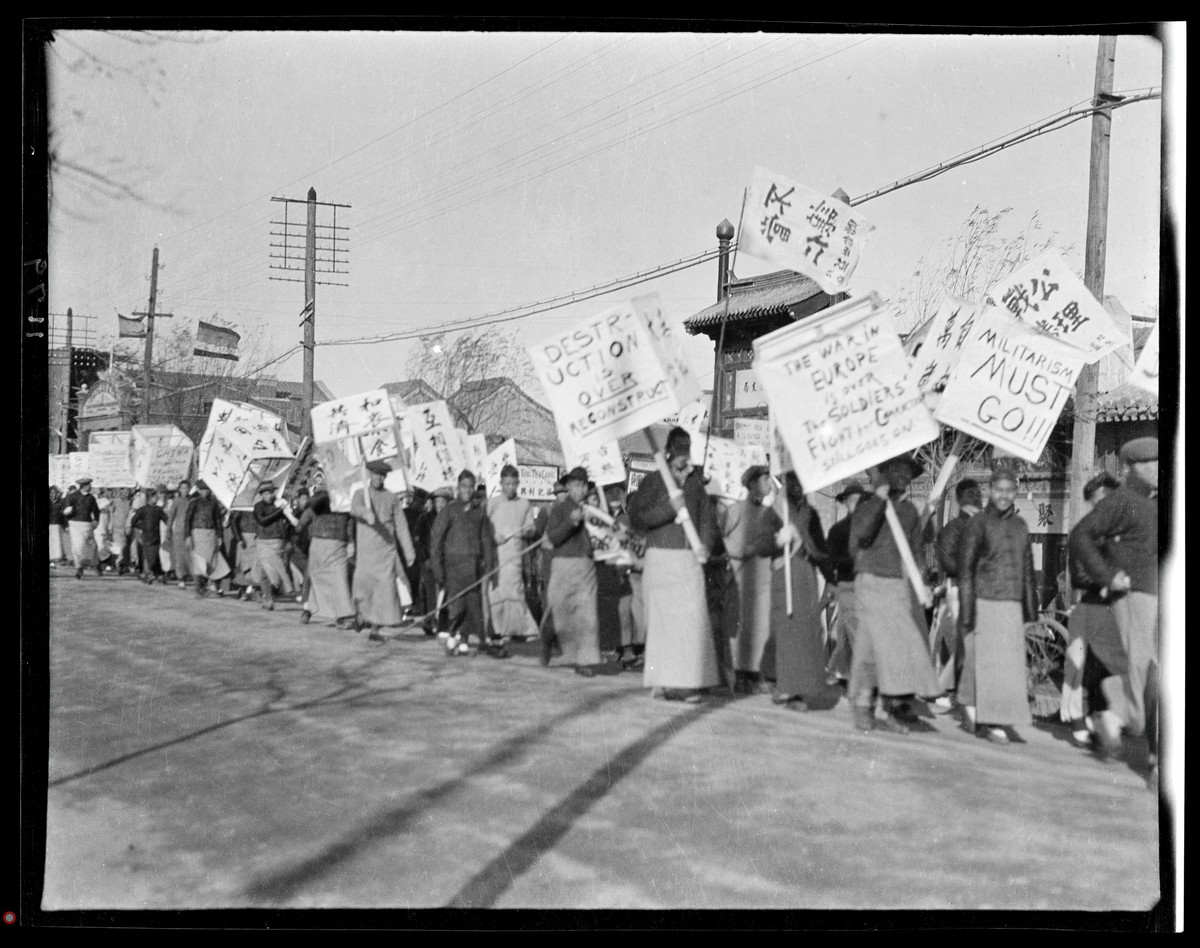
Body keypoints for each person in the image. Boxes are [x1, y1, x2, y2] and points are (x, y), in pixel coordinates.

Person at [1069, 437, 1160, 784]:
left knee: (1153, 674)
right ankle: (1123, 717)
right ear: (1132, 467)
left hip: (1160, 595)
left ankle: (1117, 706)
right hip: (1136, 597)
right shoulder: (1122, 500)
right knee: (1150, 672)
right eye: (1151, 463)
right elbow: (1080, 536)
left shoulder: (1155, 501)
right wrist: (1108, 576)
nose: (1158, 469)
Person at [627, 427, 723, 703]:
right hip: (661, 560)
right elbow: (637, 519)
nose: (683, 458)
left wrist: (705, 543)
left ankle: (690, 682)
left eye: (687, 451)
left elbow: (707, 519)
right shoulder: (653, 481)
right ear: (668, 451)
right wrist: (668, 510)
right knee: (664, 625)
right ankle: (664, 682)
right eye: (679, 451)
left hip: (689, 560)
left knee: (691, 622)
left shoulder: (695, 484)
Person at [848, 454, 941, 734]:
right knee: (870, 644)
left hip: (899, 584)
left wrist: (922, 583)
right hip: (872, 580)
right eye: (896, 471)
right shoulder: (867, 504)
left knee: (900, 646)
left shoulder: (911, 511)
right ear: (885, 473)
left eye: (907, 473)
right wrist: (879, 499)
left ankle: (888, 707)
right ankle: (863, 705)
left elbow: (915, 553)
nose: (902, 477)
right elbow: (862, 535)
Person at [956, 469, 1039, 744]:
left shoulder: (1020, 526)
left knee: (1006, 665)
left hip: (1012, 602)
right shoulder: (977, 524)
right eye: (999, 490)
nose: (1004, 496)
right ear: (990, 489)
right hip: (986, 600)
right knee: (992, 664)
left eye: (1009, 490)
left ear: (1015, 492)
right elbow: (965, 571)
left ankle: (974, 706)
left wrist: (1031, 610)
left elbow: (1028, 569)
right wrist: (968, 613)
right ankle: (990, 722)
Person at [756, 471, 836, 710]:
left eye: (802, 484)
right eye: (794, 484)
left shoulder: (810, 515)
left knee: (807, 634)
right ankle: (786, 687)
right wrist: (778, 541)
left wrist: (831, 579)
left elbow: (820, 547)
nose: (799, 489)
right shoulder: (773, 513)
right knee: (787, 633)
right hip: (784, 577)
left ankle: (801, 689)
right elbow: (760, 545)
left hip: (806, 577)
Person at [1063, 473, 1124, 749]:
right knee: (1080, 667)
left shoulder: (1125, 530)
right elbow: (1081, 573)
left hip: (1120, 608)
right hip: (1090, 605)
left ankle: (1100, 718)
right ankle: (1078, 720)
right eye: (1098, 502)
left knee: (1110, 668)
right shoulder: (1084, 532)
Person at [543, 466, 606, 675]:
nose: (580, 489)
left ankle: (585, 661)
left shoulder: (592, 509)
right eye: (576, 485)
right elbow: (553, 537)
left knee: (587, 614)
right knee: (561, 612)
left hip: (586, 566)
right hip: (563, 565)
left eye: (583, 485)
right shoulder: (560, 509)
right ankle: (549, 636)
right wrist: (571, 521)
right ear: (568, 487)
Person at [430, 469, 500, 657]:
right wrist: (437, 568)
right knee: (457, 606)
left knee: (472, 607)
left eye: (470, 487)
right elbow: (437, 538)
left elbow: (486, 540)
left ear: (474, 488)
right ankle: (452, 637)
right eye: (463, 487)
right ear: (457, 487)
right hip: (453, 566)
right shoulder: (449, 510)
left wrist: (489, 565)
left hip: (473, 566)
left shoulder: (479, 513)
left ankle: (463, 641)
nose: (467, 490)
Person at [722, 465, 776, 696]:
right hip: (740, 580)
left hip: (764, 581)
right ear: (752, 483)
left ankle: (755, 675)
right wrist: (740, 549)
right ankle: (740, 675)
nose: (769, 484)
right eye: (765, 479)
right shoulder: (735, 510)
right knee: (741, 626)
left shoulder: (771, 514)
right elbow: (720, 539)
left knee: (761, 628)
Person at [930, 479, 983, 704]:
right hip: (959, 589)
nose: (976, 498)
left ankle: (946, 688)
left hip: (976, 589)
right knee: (966, 641)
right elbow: (947, 561)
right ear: (961, 499)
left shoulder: (983, 526)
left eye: (977, 493)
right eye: (971, 494)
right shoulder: (952, 529)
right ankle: (945, 689)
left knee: (967, 642)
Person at [351, 460, 417, 640]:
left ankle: (374, 628)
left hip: (386, 550)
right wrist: (366, 513)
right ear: (370, 475)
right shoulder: (360, 494)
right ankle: (360, 614)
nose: (378, 478)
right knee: (363, 586)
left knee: (384, 590)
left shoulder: (392, 498)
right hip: (366, 549)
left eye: (382, 475)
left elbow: (402, 526)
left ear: (385, 477)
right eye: (375, 474)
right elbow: (354, 509)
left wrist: (409, 552)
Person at [487, 464, 540, 642]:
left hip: (515, 554)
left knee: (515, 591)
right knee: (497, 593)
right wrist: (494, 536)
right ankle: (498, 629)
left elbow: (531, 527)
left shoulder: (524, 504)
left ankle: (522, 629)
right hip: (496, 555)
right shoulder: (492, 503)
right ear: (501, 483)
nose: (510, 487)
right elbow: (483, 528)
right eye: (507, 484)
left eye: (513, 484)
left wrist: (528, 531)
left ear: (518, 483)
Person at [825, 481, 868, 685]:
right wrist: (855, 560)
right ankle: (857, 674)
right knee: (854, 630)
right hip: (847, 583)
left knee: (844, 630)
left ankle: (837, 669)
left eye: (860, 501)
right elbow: (831, 559)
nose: (856, 504)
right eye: (852, 500)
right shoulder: (838, 530)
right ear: (845, 503)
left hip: (867, 585)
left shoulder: (870, 528)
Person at [297, 488, 357, 629]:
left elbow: (301, 524)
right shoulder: (345, 503)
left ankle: (308, 611)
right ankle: (341, 617)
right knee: (338, 580)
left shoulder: (317, 504)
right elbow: (350, 525)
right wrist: (351, 543)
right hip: (336, 543)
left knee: (319, 580)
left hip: (319, 543)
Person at [252, 481, 295, 611]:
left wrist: (286, 510)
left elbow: (290, 521)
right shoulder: (258, 506)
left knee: (272, 566)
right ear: (261, 495)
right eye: (266, 493)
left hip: (276, 541)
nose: (269, 495)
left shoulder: (280, 503)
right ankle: (268, 599)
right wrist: (279, 511)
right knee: (262, 573)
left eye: (271, 493)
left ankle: (284, 585)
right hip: (262, 540)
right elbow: (263, 520)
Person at [185, 480, 229, 598]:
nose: (205, 492)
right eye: (202, 489)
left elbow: (218, 520)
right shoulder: (194, 503)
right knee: (199, 561)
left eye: (207, 489)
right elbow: (188, 520)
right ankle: (199, 589)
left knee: (212, 561)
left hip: (211, 534)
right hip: (197, 533)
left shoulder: (213, 503)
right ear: (199, 490)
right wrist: (188, 536)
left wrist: (220, 536)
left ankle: (211, 587)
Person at [64, 476, 102, 580]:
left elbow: (96, 511)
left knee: (92, 546)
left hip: (87, 524)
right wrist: (66, 524)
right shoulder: (72, 497)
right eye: (88, 485)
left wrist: (96, 521)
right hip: (75, 524)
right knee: (77, 547)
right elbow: (64, 512)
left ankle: (96, 564)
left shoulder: (91, 498)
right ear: (83, 486)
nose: (90, 486)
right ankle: (79, 568)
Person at [130, 488, 168, 585]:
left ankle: (156, 574)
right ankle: (149, 574)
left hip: (156, 536)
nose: (156, 498)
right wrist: (142, 526)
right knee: (148, 556)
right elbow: (133, 521)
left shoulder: (158, 510)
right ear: (149, 498)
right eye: (154, 497)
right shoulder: (143, 510)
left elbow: (166, 520)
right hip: (146, 536)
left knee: (154, 556)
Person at [229, 508, 259, 601]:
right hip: (244, 537)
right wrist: (239, 539)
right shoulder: (241, 505)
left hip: (257, 537)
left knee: (256, 565)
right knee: (243, 565)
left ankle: (256, 590)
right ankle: (243, 590)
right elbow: (233, 521)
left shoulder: (260, 505)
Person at [170, 479, 194, 589]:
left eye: (187, 488)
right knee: (179, 556)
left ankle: (191, 575)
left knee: (190, 555)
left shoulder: (193, 501)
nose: (185, 490)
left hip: (190, 532)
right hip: (179, 531)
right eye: (183, 488)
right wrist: (168, 531)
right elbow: (171, 517)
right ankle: (181, 578)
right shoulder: (176, 501)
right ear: (179, 489)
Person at [109, 487, 133, 575]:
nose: (126, 492)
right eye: (124, 490)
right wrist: (110, 526)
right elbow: (110, 514)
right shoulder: (115, 501)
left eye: (128, 490)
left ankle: (123, 564)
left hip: (126, 527)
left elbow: (130, 515)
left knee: (125, 546)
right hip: (116, 527)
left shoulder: (130, 502)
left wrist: (129, 526)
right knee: (119, 546)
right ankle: (118, 564)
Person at [49, 485, 66, 565]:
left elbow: (64, 515)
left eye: (55, 493)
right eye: (51, 493)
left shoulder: (61, 502)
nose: (53, 495)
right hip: (50, 524)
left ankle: (57, 557)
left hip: (58, 524)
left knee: (58, 541)